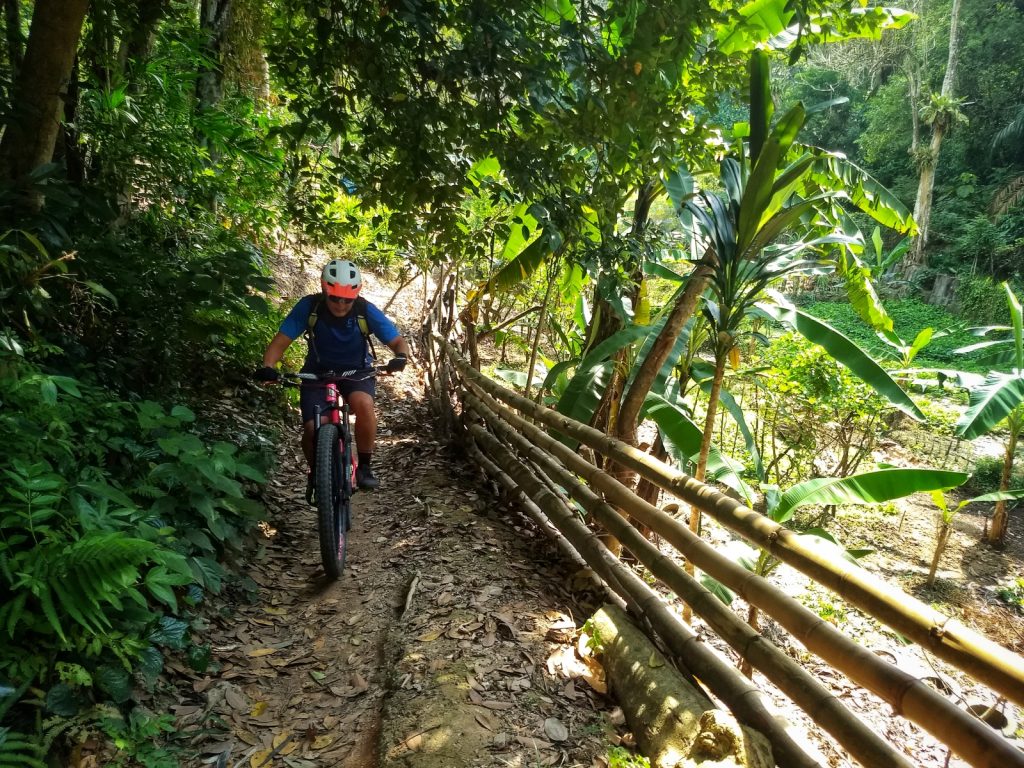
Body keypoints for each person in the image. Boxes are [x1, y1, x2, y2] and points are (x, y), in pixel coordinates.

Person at [255, 258, 410, 492]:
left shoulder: (363, 310)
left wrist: (400, 357)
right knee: (312, 429)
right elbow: (281, 340)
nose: (340, 305)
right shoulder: (309, 307)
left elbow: (397, 340)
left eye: (347, 300)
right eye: (335, 298)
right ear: (324, 291)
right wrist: (268, 366)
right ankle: (318, 472)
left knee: (364, 404)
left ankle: (365, 467)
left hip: (357, 370)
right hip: (317, 373)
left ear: (355, 296)